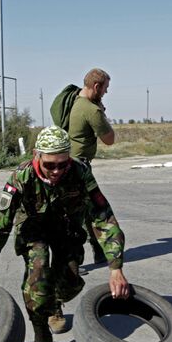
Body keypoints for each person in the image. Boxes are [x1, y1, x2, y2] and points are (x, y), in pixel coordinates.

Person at [0, 126, 130, 342]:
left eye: (61, 164)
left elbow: (102, 215)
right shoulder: (21, 178)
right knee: (39, 271)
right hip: (33, 230)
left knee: (70, 283)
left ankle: (55, 303)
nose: (56, 171)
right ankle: (42, 339)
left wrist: (115, 266)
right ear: (37, 155)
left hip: (67, 228)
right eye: (49, 165)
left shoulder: (79, 172)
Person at [68, 68, 116, 265]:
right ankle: (69, 262)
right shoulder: (91, 110)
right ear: (96, 86)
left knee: (89, 211)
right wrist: (103, 113)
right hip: (78, 168)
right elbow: (109, 139)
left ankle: (98, 251)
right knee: (80, 214)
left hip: (72, 163)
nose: (105, 92)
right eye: (105, 88)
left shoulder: (75, 101)